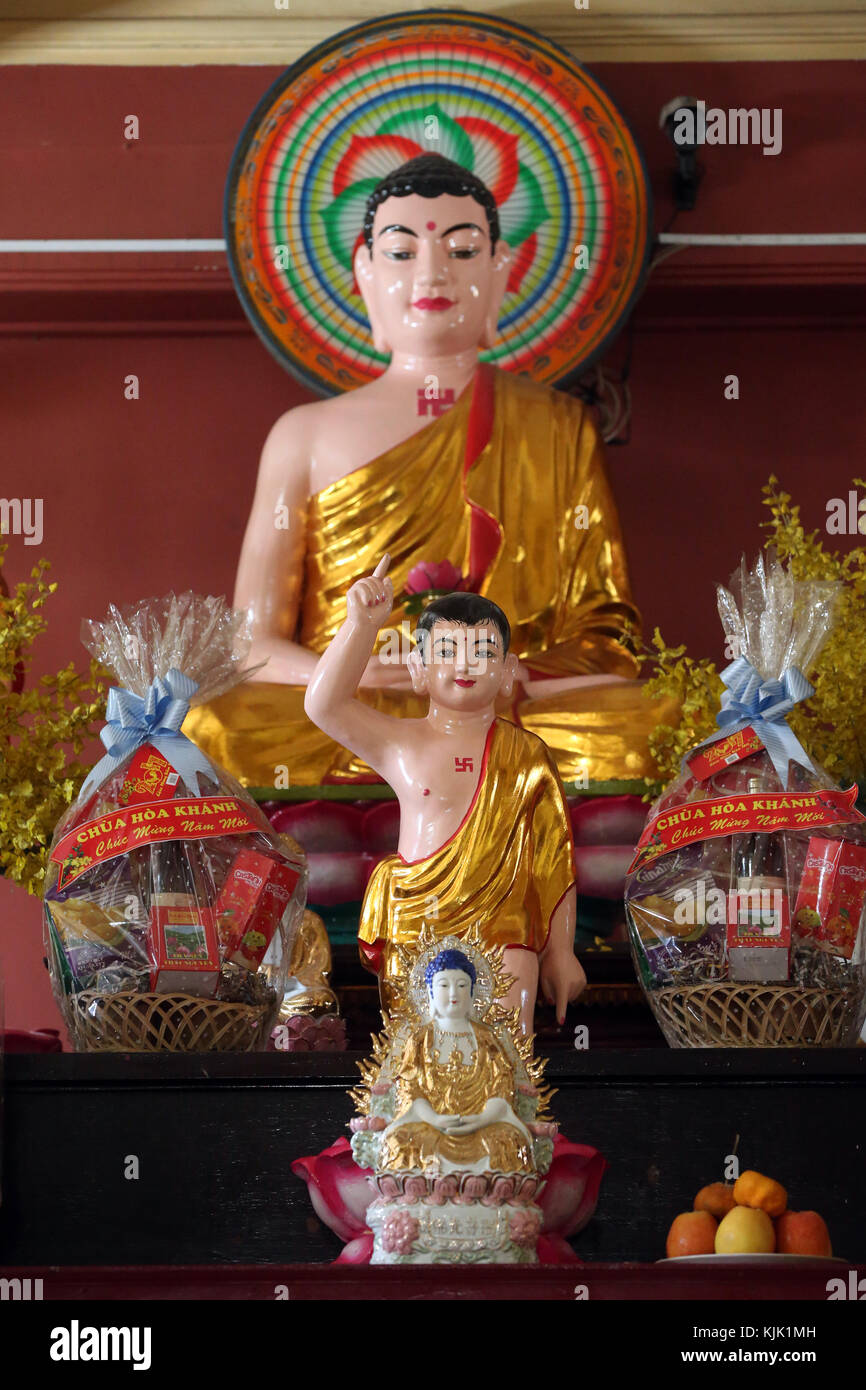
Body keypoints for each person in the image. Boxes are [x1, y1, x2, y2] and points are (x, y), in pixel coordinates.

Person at [185, 154, 674, 790]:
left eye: (464, 249)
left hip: (510, 703)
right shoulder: (303, 433)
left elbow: (607, 636)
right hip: (352, 703)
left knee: (661, 719)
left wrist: (501, 675)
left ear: (501, 270)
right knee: (213, 725)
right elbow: (248, 646)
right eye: (400, 249)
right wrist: (349, 674)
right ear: (364, 272)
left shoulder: (557, 425)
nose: (433, 271)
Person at [303, 556, 585, 1030]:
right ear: (417, 668)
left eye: (483, 651)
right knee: (414, 1063)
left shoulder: (527, 754)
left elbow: (552, 863)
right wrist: (361, 626)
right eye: (448, 649)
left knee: (506, 1065)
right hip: (418, 924)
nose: (466, 663)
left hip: (506, 933)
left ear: (509, 669)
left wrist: (561, 951)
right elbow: (324, 704)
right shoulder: (402, 743)